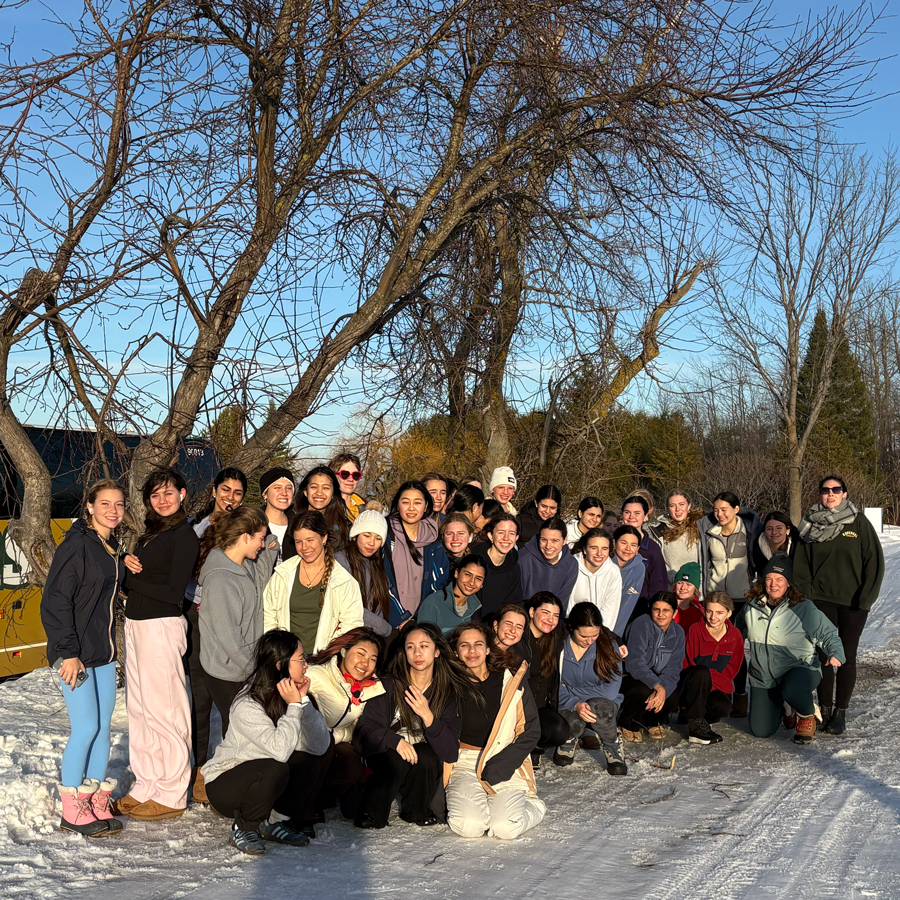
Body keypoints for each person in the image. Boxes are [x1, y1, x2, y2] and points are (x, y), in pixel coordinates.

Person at [41, 480, 127, 837]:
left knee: (104, 728)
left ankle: (92, 799)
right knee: (87, 727)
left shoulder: (108, 546)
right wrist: (68, 653)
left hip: (102, 653)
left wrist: (124, 563)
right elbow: (55, 601)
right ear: (89, 506)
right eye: (104, 503)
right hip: (75, 655)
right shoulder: (76, 545)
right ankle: (71, 806)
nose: (112, 509)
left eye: (119, 504)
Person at [202, 630, 332, 854]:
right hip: (226, 784)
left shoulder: (290, 696)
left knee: (308, 762)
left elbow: (320, 745)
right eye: (300, 659)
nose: (306, 665)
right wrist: (293, 707)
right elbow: (280, 752)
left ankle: (275, 822)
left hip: (265, 778)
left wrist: (303, 703)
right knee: (275, 768)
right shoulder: (247, 704)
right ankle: (243, 827)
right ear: (281, 665)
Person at [119, 468, 200, 821]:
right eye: (155, 495)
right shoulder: (150, 534)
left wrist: (133, 582)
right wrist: (124, 566)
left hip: (162, 625)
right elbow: (130, 578)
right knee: (140, 710)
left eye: (168, 493)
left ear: (182, 494)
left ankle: (172, 790)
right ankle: (147, 782)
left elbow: (171, 592)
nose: (162, 500)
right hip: (136, 624)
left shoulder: (184, 536)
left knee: (166, 709)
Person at [353, 623, 473, 828]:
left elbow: (450, 752)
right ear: (404, 652)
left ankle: (417, 810)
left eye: (424, 646)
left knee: (427, 755)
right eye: (410, 647)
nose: (417, 652)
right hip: (388, 752)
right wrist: (394, 741)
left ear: (436, 652)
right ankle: (372, 812)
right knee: (395, 758)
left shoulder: (447, 692)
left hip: (419, 755)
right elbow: (365, 730)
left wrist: (428, 716)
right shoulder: (388, 684)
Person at [794, 475, 885, 735]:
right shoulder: (809, 524)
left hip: (853, 603)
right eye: (825, 490)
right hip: (821, 600)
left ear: (844, 493)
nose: (830, 494)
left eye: (836, 490)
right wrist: (807, 597)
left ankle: (840, 712)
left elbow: (874, 562)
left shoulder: (858, 522)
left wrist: (866, 598)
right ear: (820, 494)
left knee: (846, 655)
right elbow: (801, 566)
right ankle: (823, 706)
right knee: (823, 654)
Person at [183, 466, 247, 804]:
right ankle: (199, 770)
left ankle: (226, 768)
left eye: (237, 493)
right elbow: (183, 571)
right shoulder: (198, 528)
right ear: (214, 490)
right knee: (200, 695)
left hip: (232, 621)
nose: (231, 498)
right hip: (198, 618)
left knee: (230, 696)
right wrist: (204, 595)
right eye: (226, 490)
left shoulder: (243, 530)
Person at [445, 623, 545, 840]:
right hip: (464, 762)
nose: (472, 651)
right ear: (455, 652)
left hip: (503, 758)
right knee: (469, 826)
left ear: (488, 649)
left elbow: (530, 729)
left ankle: (533, 805)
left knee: (505, 828)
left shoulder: (510, 679)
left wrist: (503, 764)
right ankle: (482, 804)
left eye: (478, 644)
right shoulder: (448, 683)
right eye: (465, 645)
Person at [742, 553, 845, 744]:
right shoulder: (752, 606)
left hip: (799, 668)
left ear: (788, 583)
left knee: (793, 689)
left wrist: (835, 652)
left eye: (779, 579)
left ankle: (806, 714)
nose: (774, 584)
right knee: (761, 730)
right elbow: (735, 631)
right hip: (764, 676)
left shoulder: (803, 607)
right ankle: (787, 707)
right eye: (769, 578)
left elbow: (827, 633)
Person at [198, 507, 281, 739]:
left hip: (246, 666)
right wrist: (255, 670)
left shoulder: (248, 566)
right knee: (238, 728)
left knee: (242, 729)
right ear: (245, 537)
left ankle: (237, 770)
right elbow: (228, 637)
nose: (262, 545)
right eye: (260, 539)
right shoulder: (220, 579)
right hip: (226, 670)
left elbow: (262, 576)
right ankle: (230, 771)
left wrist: (271, 542)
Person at [306, 628, 385, 819]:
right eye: (360, 654)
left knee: (353, 765)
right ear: (343, 651)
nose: (365, 664)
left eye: (373, 659)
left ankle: (319, 802)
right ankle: (300, 806)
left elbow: (360, 726)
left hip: (336, 742)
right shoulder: (316, 675)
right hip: (306, 743)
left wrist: (336, 735)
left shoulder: (372, 689)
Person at [263, 510, 364, 653]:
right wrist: (278, 650)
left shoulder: (343, 580)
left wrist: (326, 652)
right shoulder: (283, 573)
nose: (304, 548)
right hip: (285, 659)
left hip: (323, 663)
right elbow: (268, 614)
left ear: (324, 538)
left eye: (310, 540)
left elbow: (352, 624)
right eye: (299, 542)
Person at [699, 491, 761, 717]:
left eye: (724, 509)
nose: (719, 514)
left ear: (736, 509)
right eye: (716, 510)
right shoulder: (708, 532)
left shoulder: (749, 531)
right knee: (713, 649)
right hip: (715, 599)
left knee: (735, 649)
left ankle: (741, 694)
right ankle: (717, 693)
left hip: (741, 599)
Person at [554, 603, 626, 774]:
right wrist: (574, 702)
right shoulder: (559, 647)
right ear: (572, 628)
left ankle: (612, 744)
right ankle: (568, 738)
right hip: (567, 702)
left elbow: (610, 691)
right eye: (583, 636)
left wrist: (571, 690)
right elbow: (554, 685)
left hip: (604, 702)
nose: (589, 641)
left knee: (598, 706)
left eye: (594, 635)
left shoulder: (609, 646)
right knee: (572, 716)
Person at [679, 591, 745, 745]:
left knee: (723, 708)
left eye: (719, 612)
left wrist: (712, 686)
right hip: (691, 684)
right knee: (701, 672)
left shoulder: (735, 635)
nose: (713, 617)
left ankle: (691, 714)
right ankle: (695, 728)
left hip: (716, 687)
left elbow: (732, 669)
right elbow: (686, 663)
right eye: (709, 611)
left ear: (729, 613)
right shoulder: (695, 630)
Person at [619, 592, 685, 742]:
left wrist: (663, 689)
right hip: (632, 677)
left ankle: (651, 722)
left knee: (672, 696)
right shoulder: (641, 624)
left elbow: (674, 668)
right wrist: (658, 686)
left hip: (658, 678)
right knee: (643, 690)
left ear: (674, 613)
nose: (660, 614)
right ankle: (628, 722)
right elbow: (634, 663)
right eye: (656, 609)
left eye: (666, 610)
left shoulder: (678, 632)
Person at [514, 593, 569, 767]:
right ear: (531, 612)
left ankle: (534, 746)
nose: (550, 619)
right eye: (545, 612)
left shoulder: (556, 634)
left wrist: (618, 641)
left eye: (555, 615)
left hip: (539, 708)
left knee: (560, 731)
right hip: (515, 707)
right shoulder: (517, 635)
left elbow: (589, 624)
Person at [334, 510, 395, 638]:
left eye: (378, 538)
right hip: (347, 635)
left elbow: (380, 605)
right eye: (367, 535)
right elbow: (348, 607)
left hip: (373, 637)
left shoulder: (378, 565)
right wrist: (385, 628)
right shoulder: (339, 561)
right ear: (355, 535)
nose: (371, 543)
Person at [383, 480, 439, 618]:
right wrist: (400, 618)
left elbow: (438, 583)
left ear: (426, 506)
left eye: (418, 503)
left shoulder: (434, 540)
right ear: (397, 504)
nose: (411, 508)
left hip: (424, 618)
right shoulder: (384, 535)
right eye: (406, 502)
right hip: (389, 617)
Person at [284, 466, 349, 559]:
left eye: (326, 488)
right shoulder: (292, 520)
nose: (319, 493)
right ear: (306, 492)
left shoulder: (341, 525)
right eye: (314, 487)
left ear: (333, 494)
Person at [417, 554, 486, 635]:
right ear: (457, 573)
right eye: (467, 574)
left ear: (482, 584)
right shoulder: (432, 604)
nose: (471, 582)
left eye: (478, 578)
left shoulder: (475, 609)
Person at [472, 513, 523, 620]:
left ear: (516, 538)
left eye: (511, 533)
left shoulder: (514, 568)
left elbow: (513, 604)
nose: (506, 538)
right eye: (501, 532)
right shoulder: (474, 560)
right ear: (491, 536)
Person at [568, 528, 621, 626]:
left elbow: (610, 609)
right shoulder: (571, 566)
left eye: (604, 549)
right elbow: (567, 603)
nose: (599, 553)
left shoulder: (613, 571)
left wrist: (601, 635)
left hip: (596, 631)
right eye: (594, 548)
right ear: (585, 549)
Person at [519, 517, 578, 602]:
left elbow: (562, 601)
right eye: (544, 540)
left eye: (554, 541)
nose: (548, 546)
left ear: (565, 541)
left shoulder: (571, 564)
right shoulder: (523, 559)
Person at [621, 495, 667, 600]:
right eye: (627, 512)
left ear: (646, 516)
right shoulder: (611, 544)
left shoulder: (652, 549)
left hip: (640, 607)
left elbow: (658, 585)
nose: (631, 516)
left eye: (637, 513)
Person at [421, 512, 476, 597]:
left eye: (461, 533)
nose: (455, 538)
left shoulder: (472, 561)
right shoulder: (435, 556)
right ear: (443, 537)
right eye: (449, 534)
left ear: (470, 537)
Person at [654, 490, 704, 583]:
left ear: (688, 506)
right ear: (668, 509)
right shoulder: (660, 531)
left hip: (696, 590)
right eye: (673, 505)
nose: (678, 509)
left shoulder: (700, 528)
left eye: (681, 504)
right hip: (671, 588)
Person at [611, 525, 647, 636]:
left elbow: (627, 606)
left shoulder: (639, 568)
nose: (628, 548)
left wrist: (614, 637)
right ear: (614, 543)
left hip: (615, 630)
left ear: (637, 549)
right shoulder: (604, 562)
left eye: (633, 545)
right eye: (623, 543)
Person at [751, 510, 802, 577]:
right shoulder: (756, 548)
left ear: (787, 530)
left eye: (779, 528)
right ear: (764, 531)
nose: (774, 532)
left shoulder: (798, 549)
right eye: (769, 529)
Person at [259, 467, 294, 558]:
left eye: (289, 488)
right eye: (277, 488)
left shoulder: (299, 524)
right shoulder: (252, 523)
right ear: (265, 494)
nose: (284, 493)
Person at [329, 452, 367, 521]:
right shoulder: (323, 508)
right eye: (344, 474)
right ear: (332, 476)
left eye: (355, 475)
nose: (351, 479)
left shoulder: (367, 508)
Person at [672, 562, 704, 634]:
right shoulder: (665, 606)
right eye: (680, 583)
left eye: (688, 585)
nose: (683, 588)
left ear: (695, 589)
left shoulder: (700, 612)